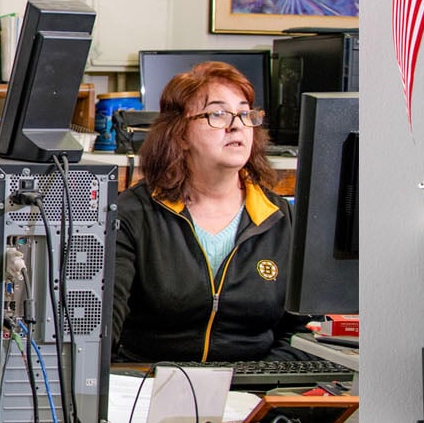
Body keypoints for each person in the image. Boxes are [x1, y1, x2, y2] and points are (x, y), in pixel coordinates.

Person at [111, 61, 306, 363]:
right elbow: (101, 331)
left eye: (244, 113)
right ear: (180, 135)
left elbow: (306, 332)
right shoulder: (133, 214)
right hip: (148, 388)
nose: (237, 125)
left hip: (255, 394)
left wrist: (261, 381)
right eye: (217, 114)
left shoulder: (280, 217)